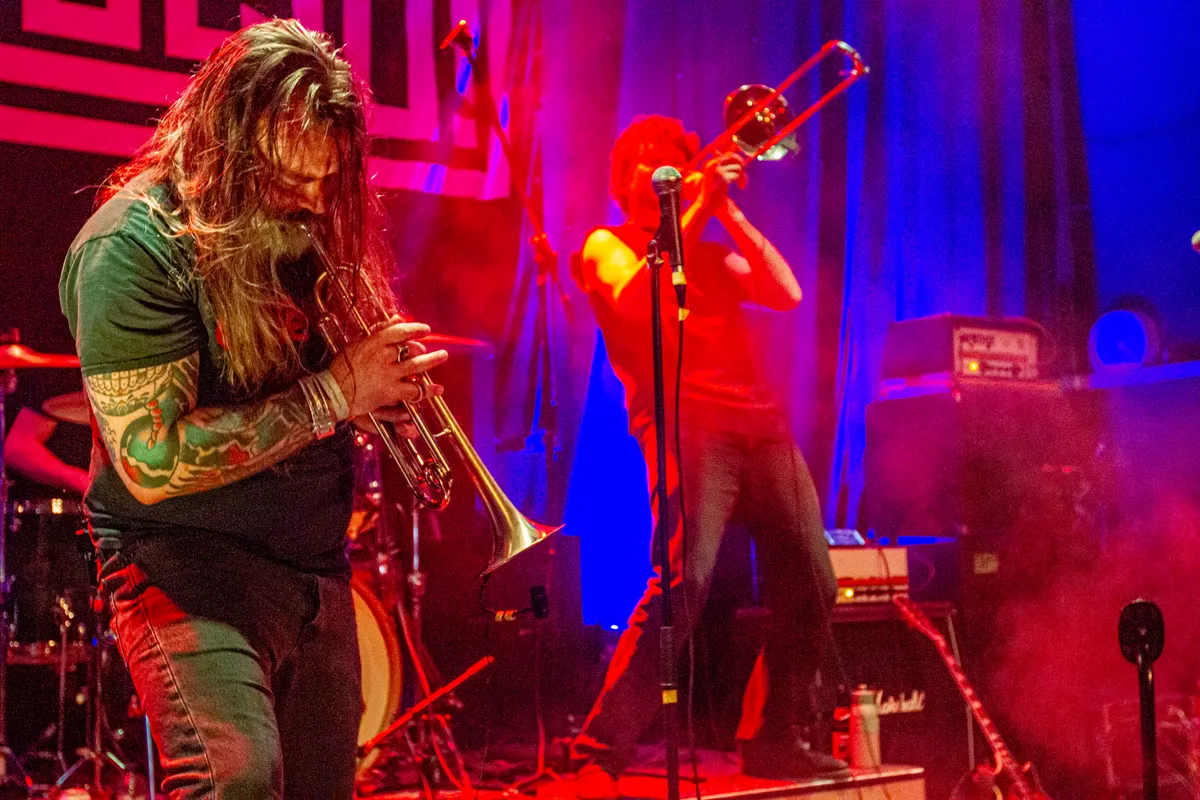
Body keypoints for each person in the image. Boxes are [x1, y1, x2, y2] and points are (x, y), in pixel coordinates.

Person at [58, 20, 447, 799]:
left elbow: (323, 387)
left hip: (311, 567)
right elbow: (153, 463)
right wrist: (337, 393)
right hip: (182, 563)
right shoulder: (132, 247)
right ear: (225, 149)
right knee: (236, 780)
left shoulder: (302, 225)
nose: (312, 202)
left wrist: (383, 398)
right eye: (289, 179)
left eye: (325, 179)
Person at [568, 115, 846, 796]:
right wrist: (694, 212)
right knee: (684, 583)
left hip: (762, 426)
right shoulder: (605, 244)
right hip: (687, 426)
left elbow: (786, 293)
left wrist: (728, 211)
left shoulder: (711, 247)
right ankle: (599, 749)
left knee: (814, 582)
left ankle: (774, 739)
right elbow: (634, 300)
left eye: (676, 156)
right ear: (624, 179)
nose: (667, 164)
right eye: (649, 158)